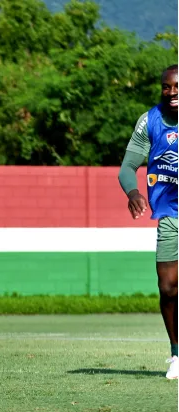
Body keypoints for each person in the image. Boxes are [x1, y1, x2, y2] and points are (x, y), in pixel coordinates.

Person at [118, 64, 178, 379]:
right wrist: (133, 192)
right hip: (170, 215)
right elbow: (127, 167)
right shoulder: (149, 121)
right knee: (168, 288)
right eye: (166, 87)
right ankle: (176, 353)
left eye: (177, 87)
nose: (171, 93)